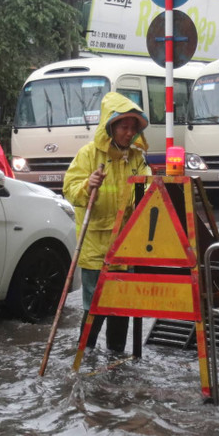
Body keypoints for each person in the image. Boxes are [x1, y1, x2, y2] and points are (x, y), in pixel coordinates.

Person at [63, 92, 150, 353]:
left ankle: (115, 356)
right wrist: (87, 186)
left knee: (121, 308)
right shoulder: (89, 155)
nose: (128, 133)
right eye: (124, 127)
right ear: (110, 127)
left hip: (126, 249)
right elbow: (70, 189)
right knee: (95, 307)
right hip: (95, 249)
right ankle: (85, 354)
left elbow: (147, 192)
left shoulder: (136, 159)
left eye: (133, 128)